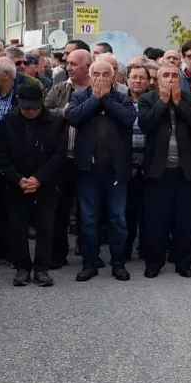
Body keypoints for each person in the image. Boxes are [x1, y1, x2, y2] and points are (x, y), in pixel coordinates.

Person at [65, 59, 137, 282]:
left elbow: (128, 119)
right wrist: (95, 99)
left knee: (117, 219)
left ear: (113, 77)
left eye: (105, 74)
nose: (100, 78)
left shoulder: (123, 98)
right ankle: (90, 263)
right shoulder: (80, 96)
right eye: (96, 74)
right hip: (88, 169)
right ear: (89, 75)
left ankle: (118, 263)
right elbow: (72, 117)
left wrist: (105, 98)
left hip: (116, 170)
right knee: (88, 219)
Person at [0, 83, 66, 287]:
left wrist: (39, 178)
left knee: (45, 226)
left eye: (35, 108)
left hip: (46, 182)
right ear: (19, 103)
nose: (31, 112)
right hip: (17, 183)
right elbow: (1, 154)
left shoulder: (56, 121)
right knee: (17, 226)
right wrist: (18, 178)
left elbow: (60, 154)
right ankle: (22, 266)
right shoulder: (8, 121)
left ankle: (41, 268)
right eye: (27, 108)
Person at [138, 62, 191, 278]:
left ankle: (183, 262)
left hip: (186, 170)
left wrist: (178, 103)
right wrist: (162, 101)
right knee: (156, 221)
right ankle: (153, 263)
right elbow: (145, 124)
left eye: (174, 76)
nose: (170, 79)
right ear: (158, 79)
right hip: (158, 170)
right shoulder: (147, 99)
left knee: (186, 220)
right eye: (165, 75)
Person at [45, 49, 92, 268]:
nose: (68, 67)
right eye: (68, 64)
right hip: (63, 158)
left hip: (88, 158)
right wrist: (66, 112)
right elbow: (45, 113)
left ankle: (88, 251)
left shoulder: (96, 90)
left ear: (87, 66)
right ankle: (58, 254)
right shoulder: (59, 88)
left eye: (74, 64)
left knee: (87, 209)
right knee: (60, 209)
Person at [0, 57, 25, 266]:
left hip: (13, 161)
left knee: (14, 208)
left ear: (6, 75)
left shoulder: (21, 94)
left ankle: (14, 251)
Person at [124, 63, 150, 263]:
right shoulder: (120, 101)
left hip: (149, 164)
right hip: (127, 165)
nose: (138, 81)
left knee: (148, 211)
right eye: (134, 77)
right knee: (127, 211)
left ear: (149, 81)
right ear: (127, 80)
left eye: (142, 78)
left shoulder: (154, 101)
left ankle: (146, 248)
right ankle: (125, 249)